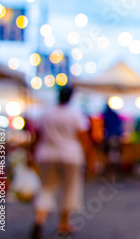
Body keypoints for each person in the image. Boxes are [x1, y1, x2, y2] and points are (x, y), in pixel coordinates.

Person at [30, 86, 92, 239]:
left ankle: (40, 218)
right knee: (70, 188)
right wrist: (91, 159)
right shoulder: (75, 113)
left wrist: (30, 155)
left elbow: (36, 136)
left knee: (46, 187)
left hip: (46, 154)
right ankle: (63, 223)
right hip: (70, 155)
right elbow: (84, 138)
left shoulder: (46, 113)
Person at [102, 103, 123, 176]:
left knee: (110, 153)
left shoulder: (106, 115)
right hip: (116, 136)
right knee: (115, 153)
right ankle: (115, 171)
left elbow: (104, 126)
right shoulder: (114, 114)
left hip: (110, 136)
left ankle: (111, 171)